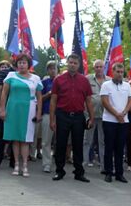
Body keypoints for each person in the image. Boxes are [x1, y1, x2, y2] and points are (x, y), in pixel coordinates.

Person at [50, 54, 94, 182]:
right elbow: (53, 100)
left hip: (78, 117)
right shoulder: (58, 80)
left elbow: (88, 101)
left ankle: (79, 172)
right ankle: (59, 171)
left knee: (78, 145)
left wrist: (91, 118)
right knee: (60, 144)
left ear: (78, 65)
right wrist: (52, 120)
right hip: (62, 115)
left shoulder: (84, 81)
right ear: (67, 63)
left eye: (75, 63)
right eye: (71, 62)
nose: (73, 65)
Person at [0, 54, 43, 177]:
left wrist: (39, 113)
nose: (21, 65)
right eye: (19, 62)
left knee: (25, 139)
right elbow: (4, 93)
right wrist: (2, 109)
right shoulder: (10, 76)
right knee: (15, 138)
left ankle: (25, 165)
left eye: (24, 62)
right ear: (16, 64)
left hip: (29, 110)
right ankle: (16, 165)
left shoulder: (35, 78)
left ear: (29, 64)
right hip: (13, 109)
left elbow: (39, 97)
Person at [100, 63, 131, 183]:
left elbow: (130, 100)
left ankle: (119, 173)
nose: (120, 74)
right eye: (117, 71)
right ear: (112, 72)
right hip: (109, 120)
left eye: (121, 72)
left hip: (123, 121)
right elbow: (104, 101)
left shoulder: (127, 85)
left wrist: (123, 113)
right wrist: (116, 114)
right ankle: (108, 172)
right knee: (109, 147)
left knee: (120, 148)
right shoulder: (106, 85)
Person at [84, 59, 109, 170]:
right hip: (90, 115)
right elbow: (83, 96)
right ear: (94, 68)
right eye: (96, 67)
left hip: (105, 115)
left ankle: (103, 166)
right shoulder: (87, 79)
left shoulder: (109, 80)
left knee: (102, 142)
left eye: (101, 67)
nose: (99, 69)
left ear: (104, 68)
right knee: (86, 141)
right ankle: (83, 165)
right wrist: (86, 114)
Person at [40, 61, 58, 173]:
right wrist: (49, 94)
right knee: (46, 141)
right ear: (47, 70)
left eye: (55, 68)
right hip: (47, 113)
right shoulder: (44, 82)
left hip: (60, 114)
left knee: (60, 141)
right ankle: (46, 163)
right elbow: (39, 99)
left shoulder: (62, 81)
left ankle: (59, 163)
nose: (53, 70)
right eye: (51, 69)